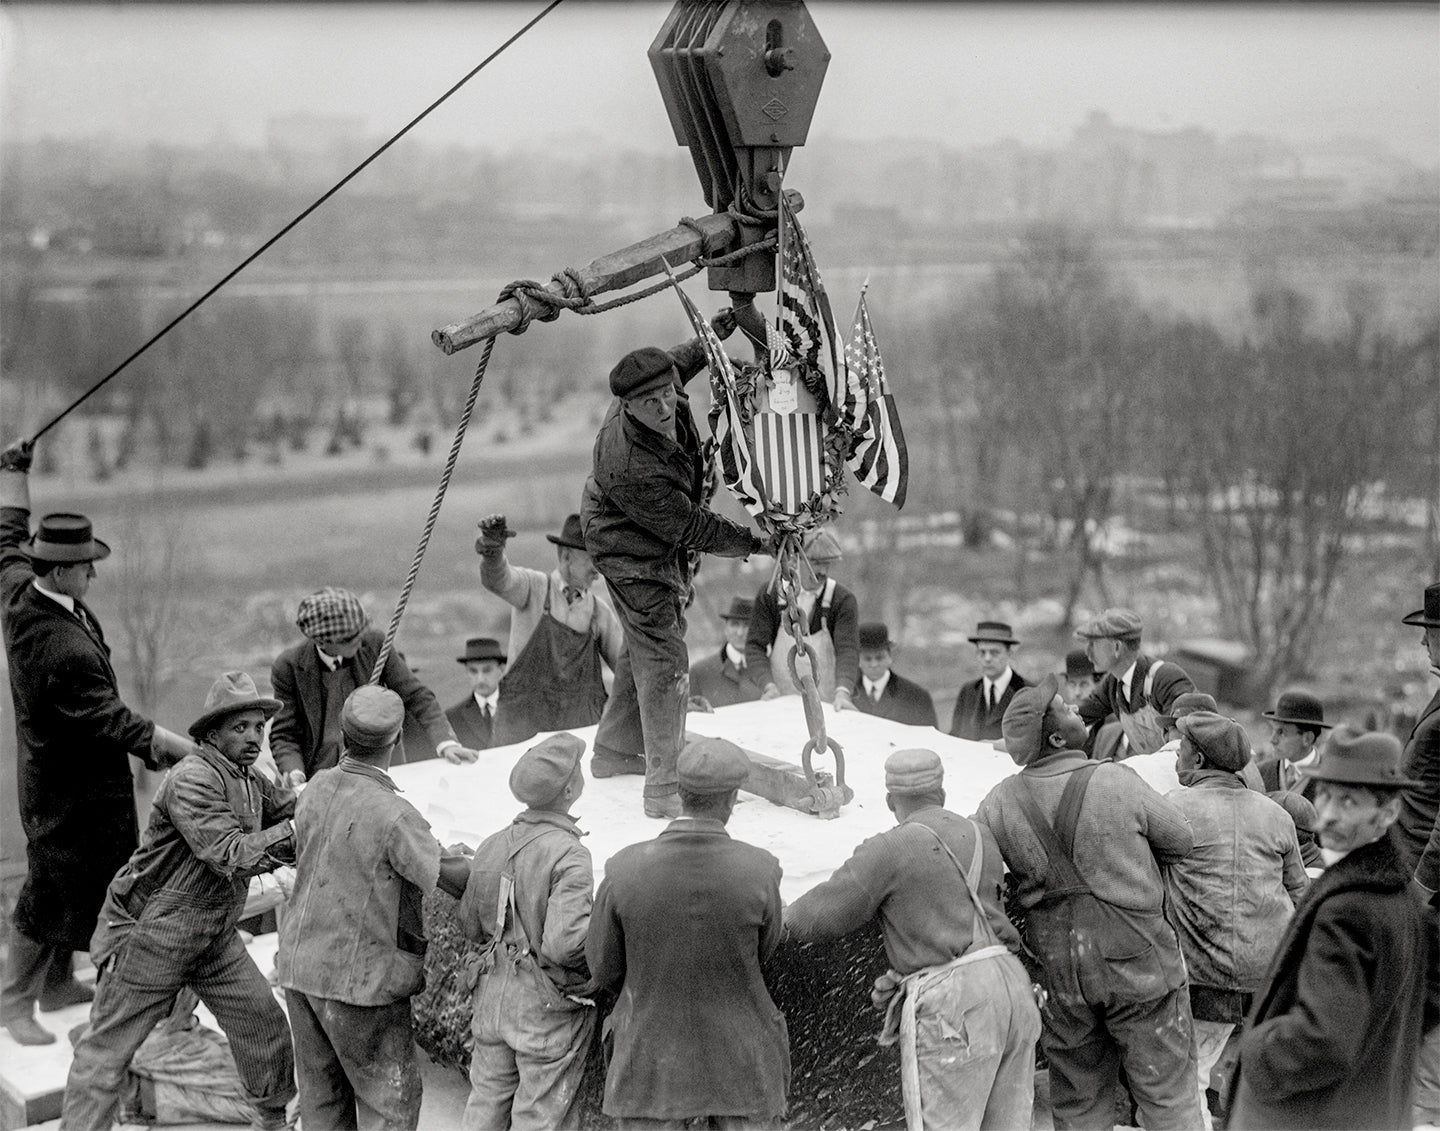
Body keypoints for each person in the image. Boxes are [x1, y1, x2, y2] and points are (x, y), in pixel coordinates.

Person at [0, 438, 198, 1046]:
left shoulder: (21, 587)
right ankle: (13, 1005)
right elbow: (118, 723)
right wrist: (191, 751)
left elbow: (7, 535)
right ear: (60, 570)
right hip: (68, 790)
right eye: (87, 564)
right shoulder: (59, 648)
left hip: (69, 777)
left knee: (89, 882)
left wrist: (14, 473)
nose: (94, 570)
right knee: (48, 889)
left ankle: (59, 984)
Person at [60, 672, 297, 1131]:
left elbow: (291, 809)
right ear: (211, 734)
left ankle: (273, 1123)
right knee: (106, 1054)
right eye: (240, 728)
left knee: (264, 1027)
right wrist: (296, 831)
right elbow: (227, 853)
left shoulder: (252, 778)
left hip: (212, 936)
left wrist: (328, 795)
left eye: (258, 728)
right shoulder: (192, 778)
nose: (253, 738)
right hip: (149, 937)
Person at [976, 673, 1203, 1130]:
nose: (1078, 705)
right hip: (1138, 962)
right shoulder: (1117, 779)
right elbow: (1182, 839)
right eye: (1065, 706)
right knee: (1168, 1098)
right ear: (1058, 737)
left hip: (1059, 971)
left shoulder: (998, 802)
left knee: (1079, 1106)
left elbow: (973, 860)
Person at [785, 748, 1041, 1130]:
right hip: (1012, 986)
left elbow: (820, 917)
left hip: (957, 1002)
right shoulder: (979, 833)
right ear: (941, 792)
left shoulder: (891, 847)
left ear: (891, 801)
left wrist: (776, 913)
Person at [581, 333, 768, 819]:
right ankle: (663, 788)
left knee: (644, 644)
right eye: (650, 402)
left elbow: (685, 358)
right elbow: (691, 525)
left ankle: (615, 750)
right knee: (664, 654)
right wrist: (751, 542)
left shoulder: (663, 385)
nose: (665, 407)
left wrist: (721, 330)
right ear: (627, 406)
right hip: (629, 551)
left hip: (657, 537)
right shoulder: (629, 464)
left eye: (668, 393)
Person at [1225, 727, 1439, 1131]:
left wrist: (1255, 1050)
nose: (1328, 813)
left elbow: (1323, 1039)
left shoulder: (1348, 907)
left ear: (1388, 813)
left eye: (1348, 801)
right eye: (1324, 795)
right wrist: (1381, 1045)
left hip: (1309, 1116)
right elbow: (1430, 992)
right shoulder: (1399, 895)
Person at [276, 685, 468, 1131]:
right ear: (398, 739)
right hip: (359, 985)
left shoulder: (316, 788)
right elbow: (447, 877)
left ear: (343, 737)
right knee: (390, 1107)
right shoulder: (394, 814)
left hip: (300, 971)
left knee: (322, 1105)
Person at [587, 737, 789, 1126]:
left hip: (647, 1062)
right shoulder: (761, 869)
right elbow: (765, 951)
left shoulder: (623, 868)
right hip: (743, 1065)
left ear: (679, 792)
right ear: (732, 800)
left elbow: (603, 968)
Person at [1163, 711, 1307, 1129]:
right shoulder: (1276, 815)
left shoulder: (1175, 810)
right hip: (1271, 982)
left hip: (1208, 981)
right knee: (1258, 1086)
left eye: (1182, 751)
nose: (1175, 760)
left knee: (1188, 1081)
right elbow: (1299, 894)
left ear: (1201, 761)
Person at [458, 733, 594, 1130]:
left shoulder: (491, 844)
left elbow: (470, 925)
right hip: (541, 1012)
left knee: (484, 1108)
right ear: (570, 789)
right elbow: (563, 946)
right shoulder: (570, 853)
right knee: (539, 1117)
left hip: (491, 1001)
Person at [269, 585, 480, 786]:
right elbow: (284, 735)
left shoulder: (375, 644)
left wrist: (446, 743)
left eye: (362, 632)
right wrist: (294, 773)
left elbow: (417, 696)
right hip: (321, 778)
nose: (360, 642)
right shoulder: (289, 667)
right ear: (322, 642)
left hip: (379, 772)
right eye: (351, 638)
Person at [473, 512, 624, 746]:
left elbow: (627, 669)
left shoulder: (599, 612)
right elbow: (499, 580)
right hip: (521, 737)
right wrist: (493, 553)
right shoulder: (533, 588)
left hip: (577, 740)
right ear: (566, 557)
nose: (598, 570)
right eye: (592, 560)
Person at [1397, 581, 1440, 1127]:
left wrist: (1423, 886)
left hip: (1429, 892)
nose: (1423, 645)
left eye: (1428, 633)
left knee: (1428, 1023)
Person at [745, 528, 860, 712]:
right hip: (781, 703)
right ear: (797, 559)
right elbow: (754, 647)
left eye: (827, 563)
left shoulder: (842, 599)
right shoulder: (772, 595)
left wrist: (843, 691)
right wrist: (767, 685)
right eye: (815, 563)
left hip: (827, 704)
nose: (822, 571)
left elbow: (848, 650)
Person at [1075, 607, 1196, 759]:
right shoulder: (1113, 684)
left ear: (1117, 647)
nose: (1087, 652)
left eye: (1094, 644)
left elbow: (1182, 745)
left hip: (1190, 777)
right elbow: (1080, 715)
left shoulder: (1166, 678)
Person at [948, 620, 1030, 742]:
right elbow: (954, 736)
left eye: (994, 653)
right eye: (982, 652)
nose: (987, 659)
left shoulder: (1027, 692)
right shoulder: (968, 690)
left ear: (1009, 653)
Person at [853, 622, 939, 728]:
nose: (874, 664)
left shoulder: (917, 697)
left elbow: (931, 740)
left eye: (880, 658)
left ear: (890, 658)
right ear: (858, 661)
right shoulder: (845, 695)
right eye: (867, 659)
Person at [687, 595, 762, 710]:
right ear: (726, 629)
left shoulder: (769, 669)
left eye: (747, 625)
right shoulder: (699, 672)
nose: (740, 632)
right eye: (735, 624)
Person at [1253, 689, 1331, 798]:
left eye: (1282, 732)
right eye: (1273, 730)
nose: (1273, 740)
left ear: (1307, 739)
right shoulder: (1259, 773)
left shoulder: (1330, 778)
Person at [447, 636, 506, 750]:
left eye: (487, 670)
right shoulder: (454, 717)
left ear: (501, 669)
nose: (480, 679)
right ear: (467, 672)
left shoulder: (518, 709)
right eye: (473, 671)